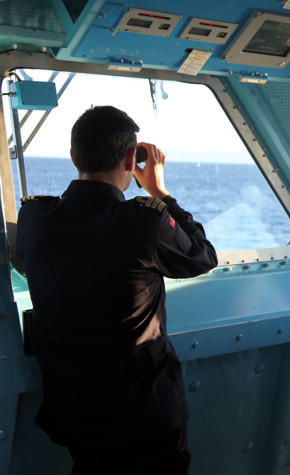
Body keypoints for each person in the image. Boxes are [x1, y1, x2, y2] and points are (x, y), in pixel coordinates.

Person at [16, 106, 218, 475]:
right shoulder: (145, 222)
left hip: (76, 415)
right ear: (130, 159)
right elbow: (202, 257)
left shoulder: (34, 219)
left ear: (74, 156)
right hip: (145, 415)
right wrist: (160, 191)